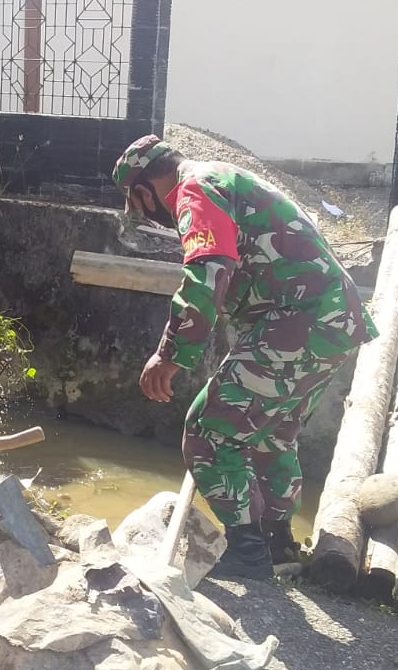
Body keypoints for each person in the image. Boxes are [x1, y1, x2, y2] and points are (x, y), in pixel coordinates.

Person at [112, 135, 378, 580]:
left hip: (299, 320)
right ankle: (277, 544)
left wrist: (170, 354)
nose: (149, 215)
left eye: (139, 205)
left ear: (143, 189)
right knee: (269, 436)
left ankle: (248, 554)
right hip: (334, 321)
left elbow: (209, 269)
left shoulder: (192, 189)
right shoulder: (221, 177)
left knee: (208, 430)